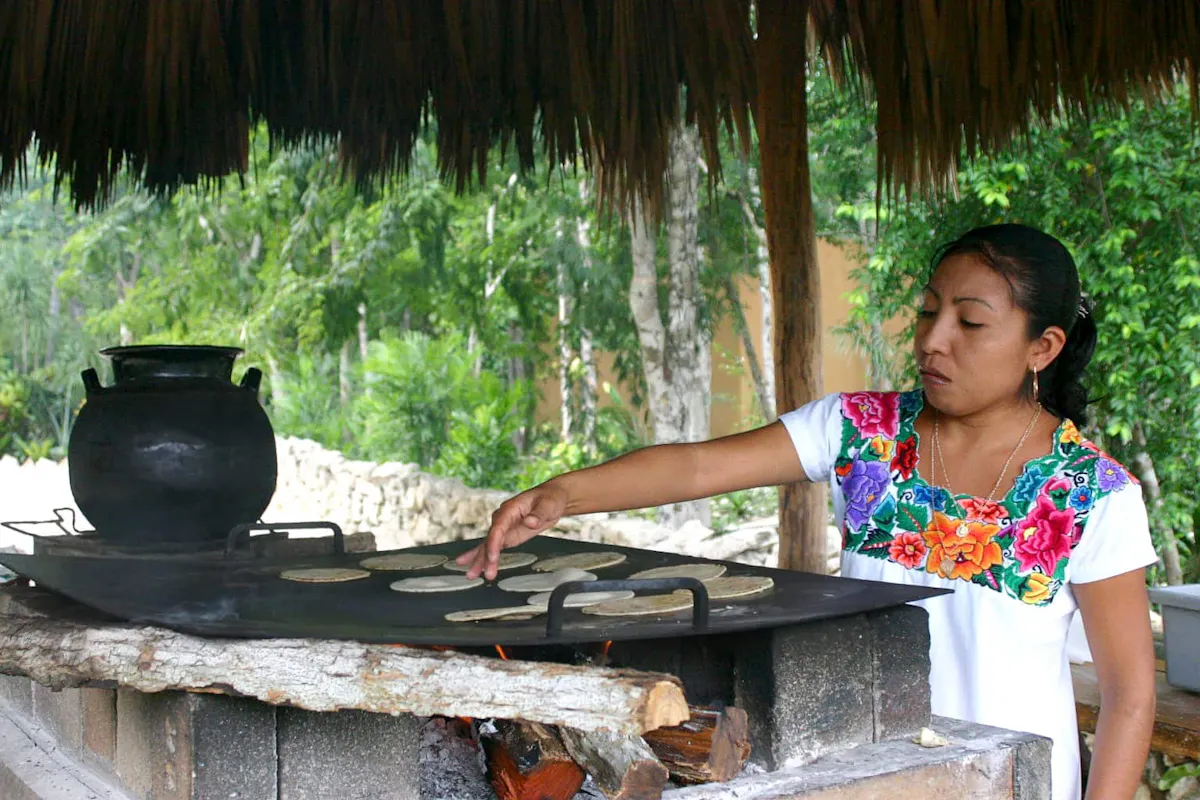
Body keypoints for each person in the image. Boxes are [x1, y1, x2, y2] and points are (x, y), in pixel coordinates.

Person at [458, 223, 1157, 800]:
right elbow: (703, 465)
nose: (932, 340)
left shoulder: (1092, 495)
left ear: (1044, 347)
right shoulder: (864, 432)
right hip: (864, 777)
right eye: (928, 311)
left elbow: (1128, 696)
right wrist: (562, 494)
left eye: (970, 322)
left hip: (1011, 787)